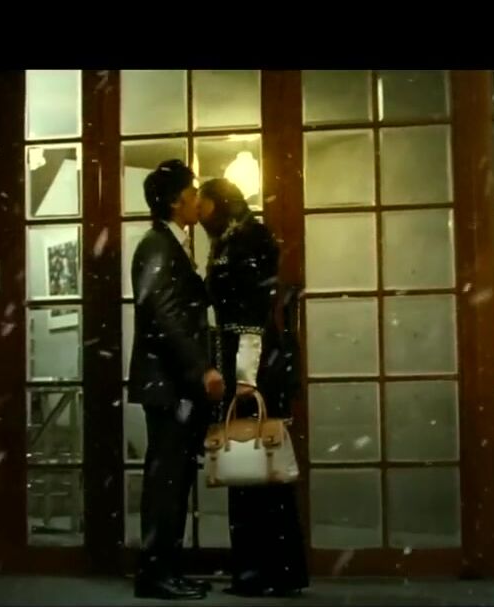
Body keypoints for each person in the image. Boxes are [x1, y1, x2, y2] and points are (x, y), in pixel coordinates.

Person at [198, 178, 309, 598]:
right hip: (246, 357)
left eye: (204, 205)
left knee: (255, 461)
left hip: (253, 361)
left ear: (218, 203)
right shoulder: (233, 238)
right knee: (252, 462)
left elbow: (252, 311)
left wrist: (245, 376)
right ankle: (268, 569)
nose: (200, 214)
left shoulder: (248, 238)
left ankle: (261, 570)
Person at [129, 159, 227, 600]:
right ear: (175, 201)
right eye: (191, 193)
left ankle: (167, 569)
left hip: (173, 383)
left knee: (174, 479)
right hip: (168, 384)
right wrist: (201, 368)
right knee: (167, 482)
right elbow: (164, 316)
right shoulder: (157, 245)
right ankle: (156, 574)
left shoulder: (170, 244)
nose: (197, 200)